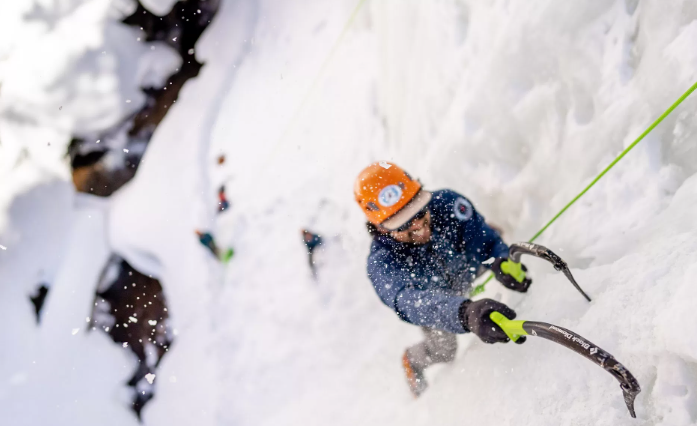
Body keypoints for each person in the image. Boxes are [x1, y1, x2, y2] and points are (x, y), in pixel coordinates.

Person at [354, 161, 532, 397]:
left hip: (465, 267)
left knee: (493, 236)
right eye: (404, 223)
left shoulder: (447, 203)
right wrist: (463, 313)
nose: (418, 225)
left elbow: (485, 241)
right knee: (444, 350)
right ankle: (412, 360)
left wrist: (500, 259)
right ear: (381, 228)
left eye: (418, 211)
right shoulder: (382, 265)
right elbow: (412, 303)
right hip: (438, 303)